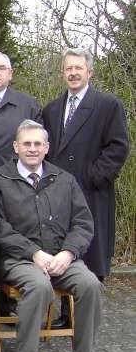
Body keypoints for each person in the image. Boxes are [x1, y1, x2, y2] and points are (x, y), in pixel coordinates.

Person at [0, 120, 107, 352]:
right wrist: (34, 253)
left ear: (46, 148)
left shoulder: (64, 179)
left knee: (90, 284)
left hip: (62, 256)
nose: (32, 149)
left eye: (37, 144)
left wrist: (68, 253)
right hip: (20, 259)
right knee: (40, 287)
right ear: (16, 147)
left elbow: (83, 223)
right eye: (26, 144)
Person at [42, 48, 129, 328]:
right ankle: (66, 314)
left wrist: (92, 176)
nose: (73, 73)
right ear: (62, 73)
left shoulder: (107, 105)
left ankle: (84, 317)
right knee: (64, 249)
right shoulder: (52, 109)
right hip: (58, 195)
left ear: (89, 72)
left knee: (90, 252)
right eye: (68, 68)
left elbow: (118, 147)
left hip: (91, 192)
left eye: (79, 68)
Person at [0, 50, 42, 172]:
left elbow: (38, 146)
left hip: (15, 180)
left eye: (1, 68)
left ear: (10, 74)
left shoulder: (29, 105)